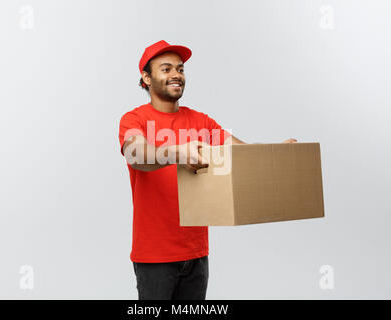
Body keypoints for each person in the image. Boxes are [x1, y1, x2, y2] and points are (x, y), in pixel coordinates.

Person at [118, 40, 297, 300]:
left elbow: (240, 153)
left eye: (180, 69)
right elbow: (136, 154)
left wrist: (276, 153)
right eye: (166, 69)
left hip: (196, 254)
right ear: (146, 77)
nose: (176, 75)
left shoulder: (201, 121)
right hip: (155, 257)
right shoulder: (134, 120)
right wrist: (178, 153)